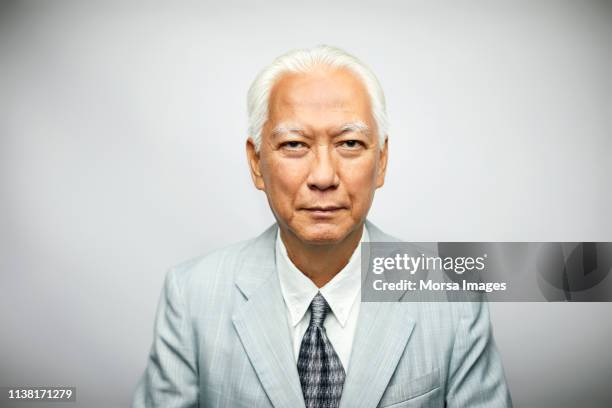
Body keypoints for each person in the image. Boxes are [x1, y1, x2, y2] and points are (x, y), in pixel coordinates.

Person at [132, 45, 513, 408]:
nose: (323, 176)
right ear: (256, 163)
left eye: (349, 143)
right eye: (295, 144)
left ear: (381, 162)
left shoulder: (452, 297)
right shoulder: (191, 296)